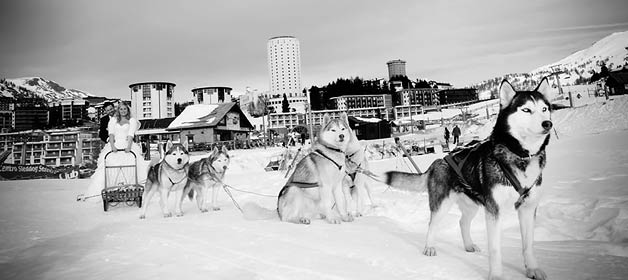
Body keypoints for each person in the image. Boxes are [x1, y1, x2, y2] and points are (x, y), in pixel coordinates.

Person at [78, 103, 148, 202]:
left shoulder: (131, 120)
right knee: (109, 164)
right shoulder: (113, 120)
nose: (123, 111)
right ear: (118, 110)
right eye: (121, 109)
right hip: (115, 144)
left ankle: (130, 189)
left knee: (131, 164)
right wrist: (112, 146)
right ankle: (111, 190)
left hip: (127, 144)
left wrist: (128, 147)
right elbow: (110, 134)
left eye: (125, 109)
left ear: (127, 110)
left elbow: (131, 134)